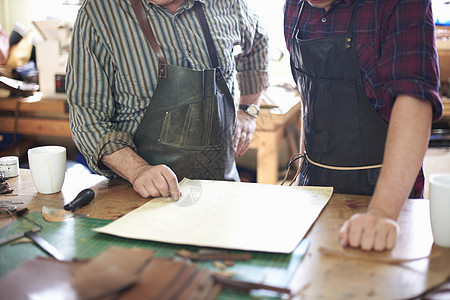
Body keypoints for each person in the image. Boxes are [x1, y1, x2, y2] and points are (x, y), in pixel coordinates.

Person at [66, 0, 269, 200]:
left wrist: (248, 109)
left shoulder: (227, 3)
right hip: (140, 197)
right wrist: (138, 170)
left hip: (221, 192)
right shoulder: (99, 13)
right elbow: (87, 118)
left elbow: (258, 41)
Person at [284, 0, 443, 251]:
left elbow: (414, 100)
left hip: (385, 196)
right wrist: (302, 174)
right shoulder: (295, 5)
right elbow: (310, 94)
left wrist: (382, 210)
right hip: (313, 193)